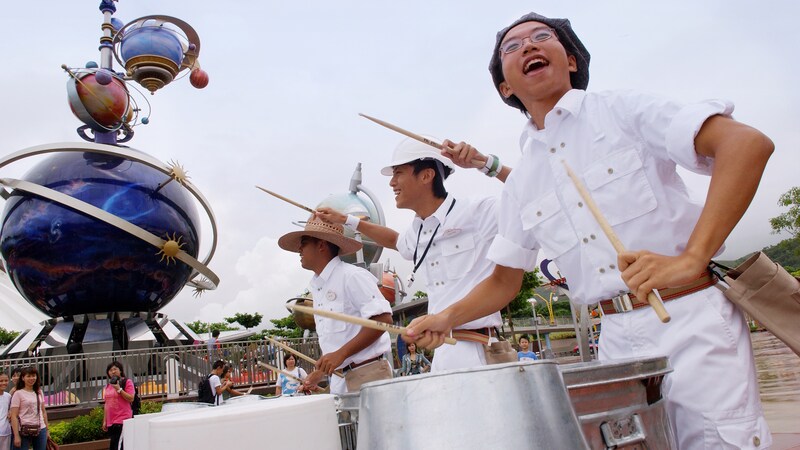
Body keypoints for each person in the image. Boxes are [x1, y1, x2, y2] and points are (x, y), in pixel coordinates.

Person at [405, 12, 774, 449]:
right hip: (613, 336)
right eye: (512, 47)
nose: (529, 45)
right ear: (505, 88)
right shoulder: (523, 180)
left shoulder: (623, 111)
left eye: (542, 37)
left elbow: (745, 144)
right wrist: (445, 318)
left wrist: (692, 257)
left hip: (690, 315)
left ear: (572, 61)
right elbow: (504, 281)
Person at [316, 137, 510, 372]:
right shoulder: (418, 230)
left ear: (426, 176)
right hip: (442, 352)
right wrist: (346, 219)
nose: (392, 183)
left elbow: (530, 196)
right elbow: (395, 241)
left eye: (398, 173)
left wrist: (488, 164)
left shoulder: (479, 211)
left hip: (479, 348)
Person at [278, 216, 393, 394]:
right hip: (340, 379)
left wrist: (341, 354)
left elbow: (383, 320)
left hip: (368, 373)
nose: (299, 249)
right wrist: (319, 373)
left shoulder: (352, 276)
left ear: (321, 245)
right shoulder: (318, 288)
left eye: (304, 243)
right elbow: (337, 342)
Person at [9, 367, 49, 450]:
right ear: (23, 378)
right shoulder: (18, 393)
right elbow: (14, 416)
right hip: (22, 429)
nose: (32, 378)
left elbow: (43, 411)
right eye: (28, 376)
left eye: (33, 376)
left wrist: (47, 430)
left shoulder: (39, 392)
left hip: (40, 428)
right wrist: (16, 435)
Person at [102, 361, 134, 450]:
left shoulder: (126, 382)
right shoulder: (108, 386)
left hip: (122, 420)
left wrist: (119, 389)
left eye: (115, 369)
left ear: (120, 371)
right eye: (110, 370)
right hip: (111, 422)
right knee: (114, 445)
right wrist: (105, 421)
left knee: (118, 446)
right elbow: (107, 404)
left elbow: (131, 398)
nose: (113, 371)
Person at [1, 372, 11, 450]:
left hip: (6, 432)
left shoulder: (8, 396)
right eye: (1, 381)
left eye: (6, 380)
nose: (4, 383)